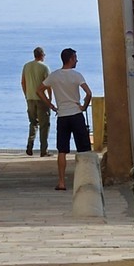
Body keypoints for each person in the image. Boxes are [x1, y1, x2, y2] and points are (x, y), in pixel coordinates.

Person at [43, 46, 94, 191]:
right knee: (83, 149)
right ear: (71, 59)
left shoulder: (54, 76)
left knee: (62, 150)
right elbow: (88, 93)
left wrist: (51, 105)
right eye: (75, 58)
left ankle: (61, 182)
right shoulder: (76, 75)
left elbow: (39, 90)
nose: (77, 60)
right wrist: (84, 106)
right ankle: (86, 179)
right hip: (76, 115)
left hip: (62, 116)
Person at [22, 46, 51, 155]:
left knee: (33, 123)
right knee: (44, 125)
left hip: (30, 99)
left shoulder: (26, 66)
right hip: (41, 100)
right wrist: (50, 98)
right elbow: (48, 84)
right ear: (42, 55)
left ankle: (30, 146)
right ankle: (44, 150)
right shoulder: (44, 67)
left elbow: (23, 82)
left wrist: (26, 94)